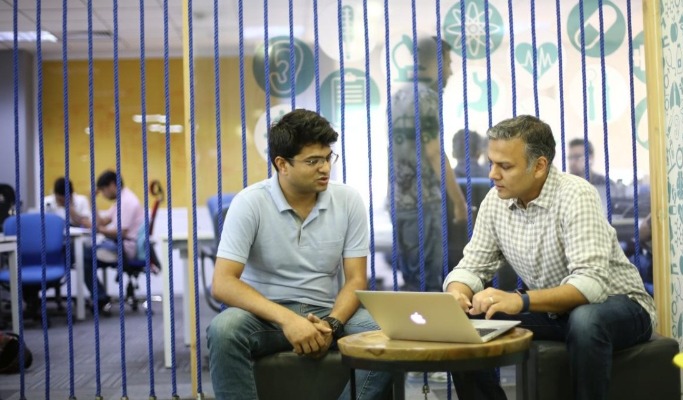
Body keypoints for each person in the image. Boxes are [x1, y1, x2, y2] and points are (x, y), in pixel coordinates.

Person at [443, 115, 656, 400]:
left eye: (505, 166)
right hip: (556, 313)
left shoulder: (575, 194)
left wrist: (520, 300)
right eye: (493, 163)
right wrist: (458, 293)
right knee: (464, 321)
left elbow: (590, 285)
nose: (493, 174)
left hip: (620, 305)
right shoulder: (495, 201)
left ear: (540, 166)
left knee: (585, 319)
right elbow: (472, 265)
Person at [206, 109, 391, 400]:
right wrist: (287, 320)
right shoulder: (249, 203)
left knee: (388, 331)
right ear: (282, 164)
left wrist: (332, 324)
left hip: (325, 311)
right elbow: (223, 282)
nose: (325, 168)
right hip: (265, 315)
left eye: (328, 157)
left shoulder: (348, 200)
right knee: (223, 330)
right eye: (313, 161)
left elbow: (356, 279)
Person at [389, 36, 467, 291]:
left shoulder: (398, 95)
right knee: (429, 285)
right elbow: (434, 153)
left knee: (412, 282)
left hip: (399, 202)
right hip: (424, 203)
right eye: (448, 62)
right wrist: (459, 201)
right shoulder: (427, 98)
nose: (452, 71)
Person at [84, 170, 144, 313]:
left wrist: (96, 229)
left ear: (112, 185)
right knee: (84, 257)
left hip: (125, 247)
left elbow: (120, 232)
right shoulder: (121, 200)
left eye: (103, 190)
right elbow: (103, 222)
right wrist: (93, 202)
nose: (103, 195)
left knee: (84, 254)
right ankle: (100, 297)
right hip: (119, 244)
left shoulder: (127, 201)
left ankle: (100, 298)